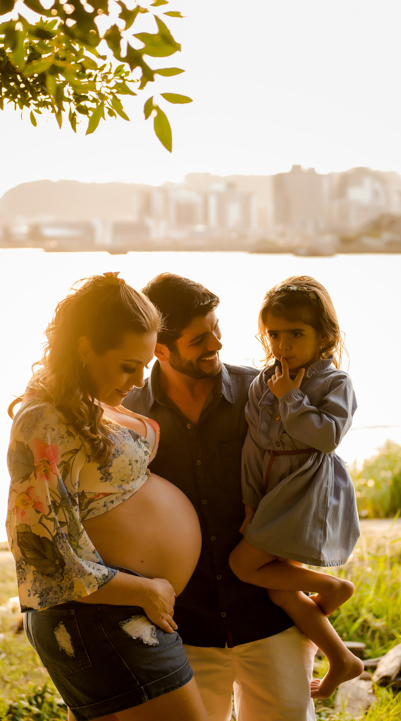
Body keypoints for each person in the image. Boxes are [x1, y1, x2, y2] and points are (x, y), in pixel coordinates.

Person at [5, 273, 209, 721]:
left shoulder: (87, 402)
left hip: (116, 614)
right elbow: (41, 550)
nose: (138, 381)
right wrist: (146, 589)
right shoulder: (43, 420)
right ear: (84, 349)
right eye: (126, 366)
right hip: (99, 616)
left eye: (145, 366)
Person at [123, 273, 318, 721]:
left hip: (269, 616)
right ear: (160, 348)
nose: (216, 343)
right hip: (182, 630)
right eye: (199, 338)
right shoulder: (127, 415)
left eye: (216, 327)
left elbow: (306, 478)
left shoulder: (264, 394)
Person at [228, 276, 364, 699]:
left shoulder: (333, 382)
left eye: (296, 334)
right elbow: (254, 449)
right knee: (280, 591)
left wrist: (291, 398)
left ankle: (333, 588)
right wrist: (252, 504)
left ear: (324, 337)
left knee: (243, 564)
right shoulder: (263, 382)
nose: (283, 345)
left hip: (306, 488)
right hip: (270, 490)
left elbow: (326, 437)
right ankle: (342, 659)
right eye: (274, 334)